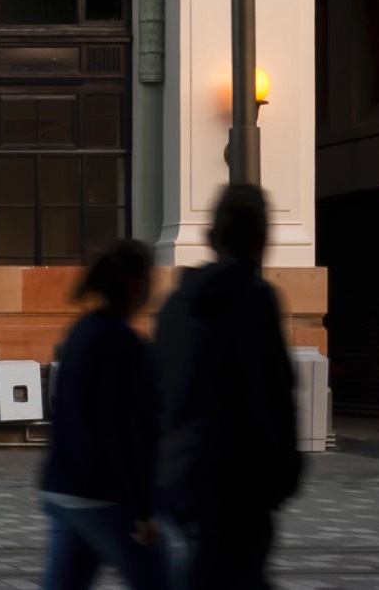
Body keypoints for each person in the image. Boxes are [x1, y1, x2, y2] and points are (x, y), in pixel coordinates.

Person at [156, 183, 301, 590]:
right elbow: (271, 394)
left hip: (180, 478)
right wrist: (283, 474)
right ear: (262, 238)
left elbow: (160, 395)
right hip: (238, 486)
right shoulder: (255, 299)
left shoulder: (175, 304)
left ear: (211, 235)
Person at [41, 237, 168, 590]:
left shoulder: (81, 331)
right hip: (107, 496)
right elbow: (126, 434)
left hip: (64, 487)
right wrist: (143, 511)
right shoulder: (125, 345)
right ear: (134, 284)